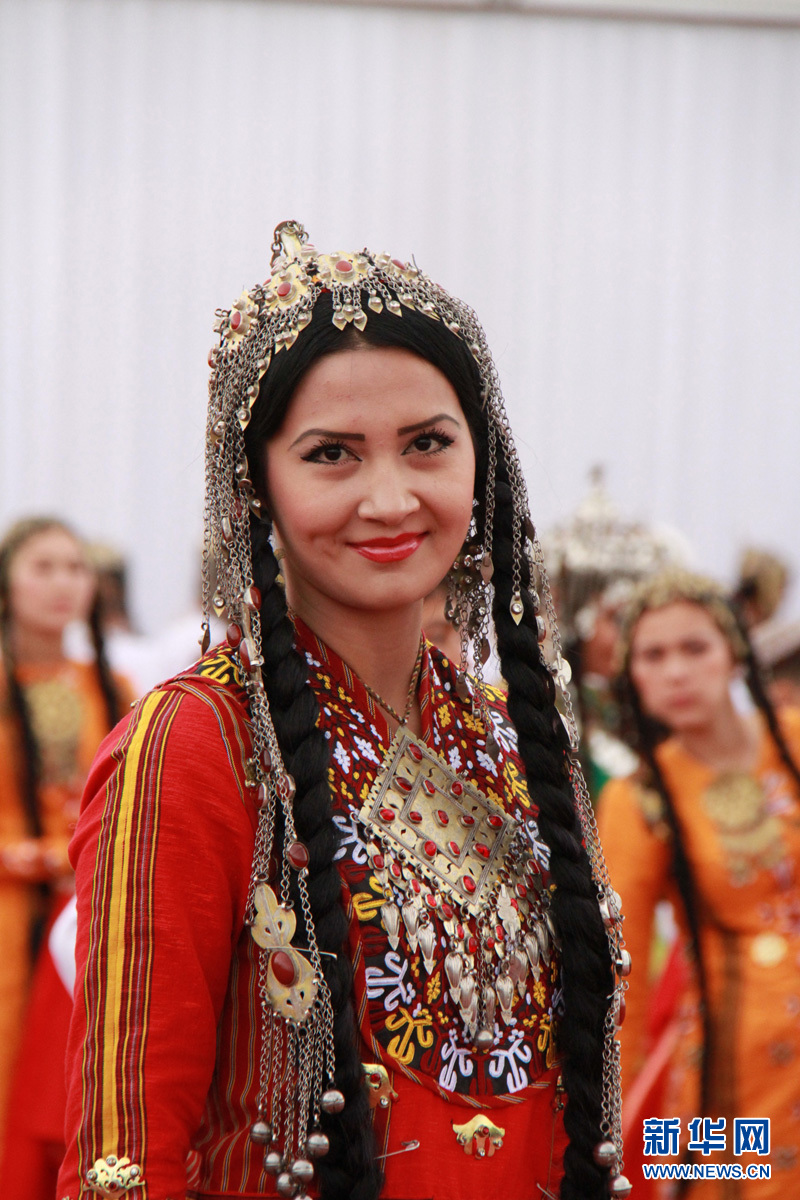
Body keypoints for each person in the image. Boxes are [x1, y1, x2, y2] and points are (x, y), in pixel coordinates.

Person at [58, 222, 628, 1200]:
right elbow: (122, 1162)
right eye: (332, 454)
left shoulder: (512, 737)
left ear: (481, 460)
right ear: (257, 486)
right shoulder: (196, 744)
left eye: (427, 444)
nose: (390, 497)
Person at [597, 569, 800, 1196]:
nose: (676, 672)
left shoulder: (794, 738)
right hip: (728, 1077)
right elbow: (621, 975)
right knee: (714, 1185)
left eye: (694, 648)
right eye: (653, 656)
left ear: (734, 653)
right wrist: (607, 1126)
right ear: (632, 675)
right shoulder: (638, 799)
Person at [0, 517, 130, 1171]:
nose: (63, 583)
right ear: (7, 584)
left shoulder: (115, 687)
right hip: (8, 916)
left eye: (75, 568)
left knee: (78, 1085)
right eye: (43, 567)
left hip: (87, 920)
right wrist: (48, 855)